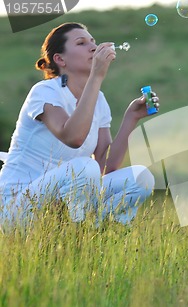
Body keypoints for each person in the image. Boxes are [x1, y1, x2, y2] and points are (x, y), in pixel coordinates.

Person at [0, 22, 158, 227]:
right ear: (60, 59)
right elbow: (73, 137)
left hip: (61, 202)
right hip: (16, 205)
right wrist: (97, 76)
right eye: (81, 43)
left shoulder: (98, 99)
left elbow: (106, 165)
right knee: (85, 167)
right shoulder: (45, 92)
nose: (93, 47)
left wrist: (131, 117)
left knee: (140, 177)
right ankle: (79, 232)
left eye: (93, 41)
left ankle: (98, 232)